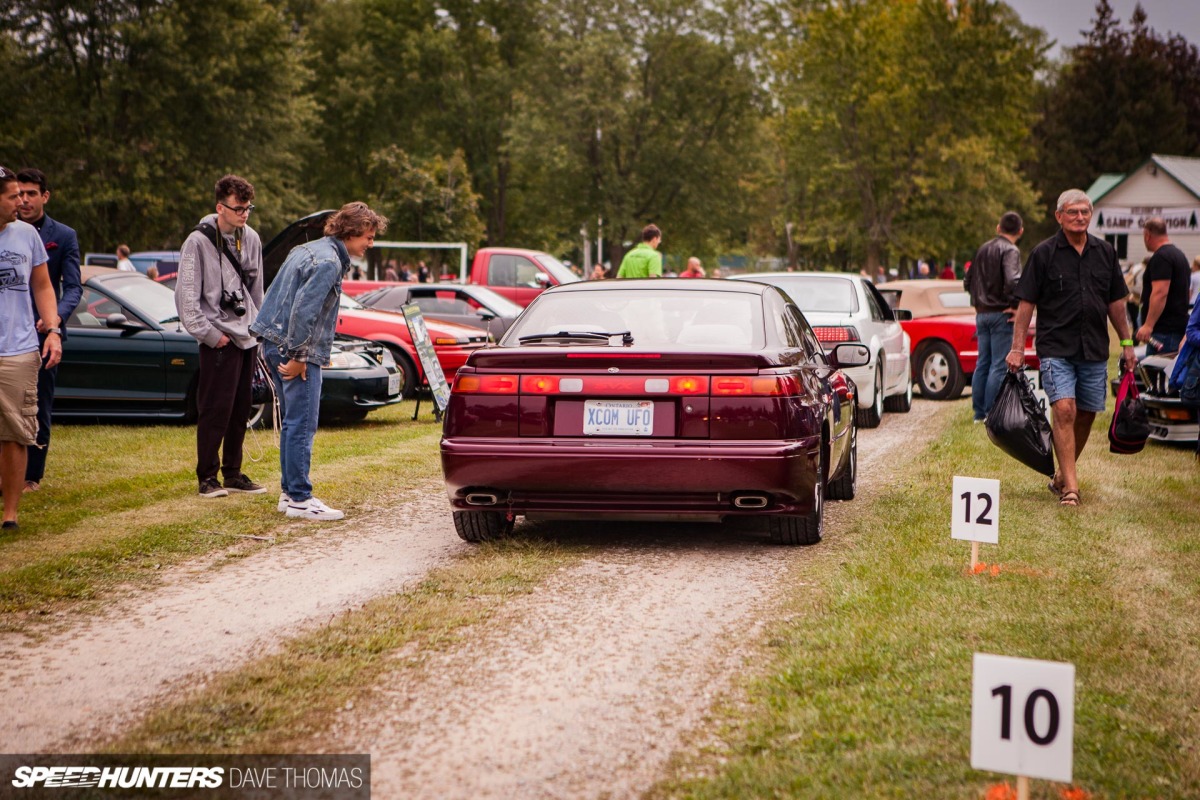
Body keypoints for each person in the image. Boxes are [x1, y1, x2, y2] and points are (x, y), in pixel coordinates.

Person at [250, 202, 388, 521]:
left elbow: (277, 295)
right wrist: (300, 356)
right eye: (368, 237)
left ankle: (289, 493)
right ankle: (300, 498)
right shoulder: (328, 262)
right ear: (351, 232)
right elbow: (305, 310)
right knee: (303, 423)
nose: (370, 243)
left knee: (292, 422)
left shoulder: (306, 249)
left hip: (273, 341)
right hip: (294, 349)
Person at [1006, 189, 1135, 508]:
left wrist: (1128, 342)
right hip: (1056, 347)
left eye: (1085, 212)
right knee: (1064, 409)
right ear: (1059, 216)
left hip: (1094, 348)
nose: (1080, 218)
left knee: (1087, 413)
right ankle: (1071, 489)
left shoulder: (1105, 253)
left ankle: (1063, 475)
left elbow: (1116, 303)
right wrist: (1017, 348)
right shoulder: (1044, 253)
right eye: (1073, 212)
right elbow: (1026, 303)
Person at [175, 174, 266, 499]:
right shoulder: (197, 242)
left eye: (248, 208)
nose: (244, 214)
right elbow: (186, 298)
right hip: (218, 339)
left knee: (241, 407)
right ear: (220, 207)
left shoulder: (250, 238)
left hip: (246, 337)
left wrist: (258, 327)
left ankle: (233, 472)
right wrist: (211, 336)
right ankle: (207, 477)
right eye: (238, 208)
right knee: (215, 408)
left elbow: (257, 290)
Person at [0, 165, 63, 531]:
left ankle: (10, 512)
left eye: (24, 195)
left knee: (15, 432)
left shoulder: (26, 236)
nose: (21, 201)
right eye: (13, 196)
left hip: (19, 348)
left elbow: (42, 285)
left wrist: (52, 329)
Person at [15, 168, 81, 493]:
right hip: (8, 330)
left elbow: (73, 288)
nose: (24, 200)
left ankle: (31, 476)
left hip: (44, 335)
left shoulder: (63, 235)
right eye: (19, 193)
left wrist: (54, 318)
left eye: (31, 193)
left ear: (45, 196)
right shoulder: (6, 231)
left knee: (39, 404)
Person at [965, 211, 1023, 423]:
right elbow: (1013, 281)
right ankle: (992, 413)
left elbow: (967, 280)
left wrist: (977, 302)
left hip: (982, 314)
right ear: (1020, 231)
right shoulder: (1010, 251)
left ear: (998, 228)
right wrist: (1016, 306)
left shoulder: (983, 249)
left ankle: (979, 413)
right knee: (998, 364)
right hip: (1001, 313)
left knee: (983, 363)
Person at [1136, 217, 1190, 356]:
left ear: (1147, 235)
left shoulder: (1161, 257)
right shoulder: (1179, 255)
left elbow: (1160, 292)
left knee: (1155, 375)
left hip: (1164, 331)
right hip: (1176, 328)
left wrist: (1148, 325)